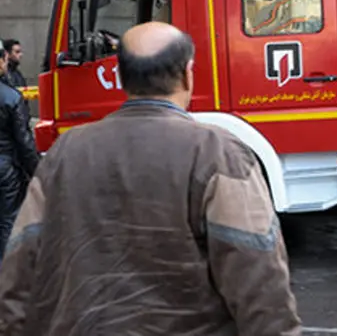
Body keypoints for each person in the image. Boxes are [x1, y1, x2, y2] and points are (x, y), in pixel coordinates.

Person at [0, 22, 301, 334]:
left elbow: (21, 266)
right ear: (187, 74)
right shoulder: (219, 153)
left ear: (121, 78)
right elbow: (258, 276)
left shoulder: (66, 152)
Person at [0, 45, 38, 256]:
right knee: (8, 223)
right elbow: (24, 142)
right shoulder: (11, 97)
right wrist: (36, 172)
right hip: (6, 170)